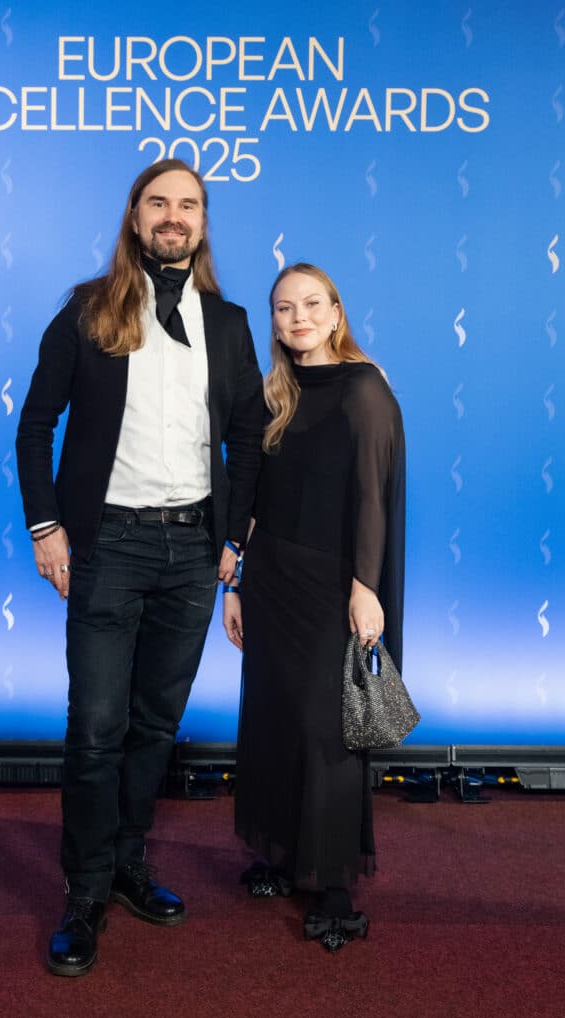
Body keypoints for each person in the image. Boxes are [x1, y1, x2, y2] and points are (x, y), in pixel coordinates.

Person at [16, 159, 264, 976]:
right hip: (108, 547)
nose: (173, 215)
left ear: (202, 222)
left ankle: (127, 863)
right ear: (134, 216)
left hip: (194, 552)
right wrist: (47, 527)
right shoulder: (88, 310)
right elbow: (36, 425)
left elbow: (248, 437)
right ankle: (84, 891)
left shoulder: (228, 323)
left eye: (188, 204)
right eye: (159, 202)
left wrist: (235, 541)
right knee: (95, 729)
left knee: (156, 725)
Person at [223, 262, 405, 953]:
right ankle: (282, 855)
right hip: (271, 581)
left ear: (335, 313)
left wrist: (366, 587)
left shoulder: (364, 387)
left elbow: (372, 497)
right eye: (283, 308)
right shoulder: (274, 393)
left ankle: (332, 885)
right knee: (274, 719)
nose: (296, 317)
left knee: (327, 730)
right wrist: (234, 585)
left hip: (333, 586)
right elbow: (254, 496)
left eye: (310, 304)